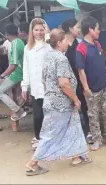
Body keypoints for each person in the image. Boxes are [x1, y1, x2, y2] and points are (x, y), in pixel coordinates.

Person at [25, 29, 91, 176]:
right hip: (60, 103)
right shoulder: (61, 59)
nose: (68, 44)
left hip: (52, 100)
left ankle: (77, 156)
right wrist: (75, 98)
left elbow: (44, 80)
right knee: (51, 133)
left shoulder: (48, 56)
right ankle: (32, 163)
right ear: (59, 43)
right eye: (66, 41)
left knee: (73, 126)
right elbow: (64, 83)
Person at [76, 16, 106, 151]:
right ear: (90, 29)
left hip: (105, 86)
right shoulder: (81, 48)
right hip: (91, 89)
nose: (99, 31)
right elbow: (81, 71)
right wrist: (86, 88)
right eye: (98, 28)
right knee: (93, 115)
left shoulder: (97, 44)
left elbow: (100, 63)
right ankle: (97, 139)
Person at [21, 18, 51, 150]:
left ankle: (51, 138)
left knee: (50, 115)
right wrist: (24, 86)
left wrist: (49, 36)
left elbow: (54, 55)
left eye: (41, 30)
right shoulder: (28, 48)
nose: (39, 32)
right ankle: (38, 138)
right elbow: (26, 69)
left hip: (49, 86)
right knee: (38, 115)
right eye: (36, 30)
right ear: (32, 31)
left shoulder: (48, 45)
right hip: (35, 87)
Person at [62, 19, 92, 144]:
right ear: (70, 28)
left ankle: (88, 131)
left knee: (83, 106)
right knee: (67, 108)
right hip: (65, 82)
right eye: (77, 27)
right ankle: (68, 134)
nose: (79, 30)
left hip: (78, 80)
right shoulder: (61, 43)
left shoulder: (79, 43)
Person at [0, 23, 26, 121]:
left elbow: (14, 65)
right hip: (18, 73)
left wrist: (2, 76)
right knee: (9, 92)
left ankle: (18, 111)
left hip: (18, 74)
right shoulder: (18, 42)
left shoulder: (15, 43)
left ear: (6, 34)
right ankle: (20, 107)